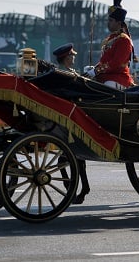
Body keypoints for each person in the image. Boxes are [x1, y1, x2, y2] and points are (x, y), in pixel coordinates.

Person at [52, 42, 90, 204]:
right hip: (71, 117)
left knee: (68, 159)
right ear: (67, 58)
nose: (74, 57)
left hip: (71, 117)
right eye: (72, 55)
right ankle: (75, 189)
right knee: (70, 159)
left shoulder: (66, 72)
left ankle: (74, 190)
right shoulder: (65, 74)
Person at [85, 0, 137, 89]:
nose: (108, 23)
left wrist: (96, 71)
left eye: (111, 20)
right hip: (105, 76)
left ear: (118, 23)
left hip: (117, 79)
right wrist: (93, 68)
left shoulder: (124, 40)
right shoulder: (110, 39)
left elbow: (116, 63)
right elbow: (104, 61)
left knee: (108, 85)